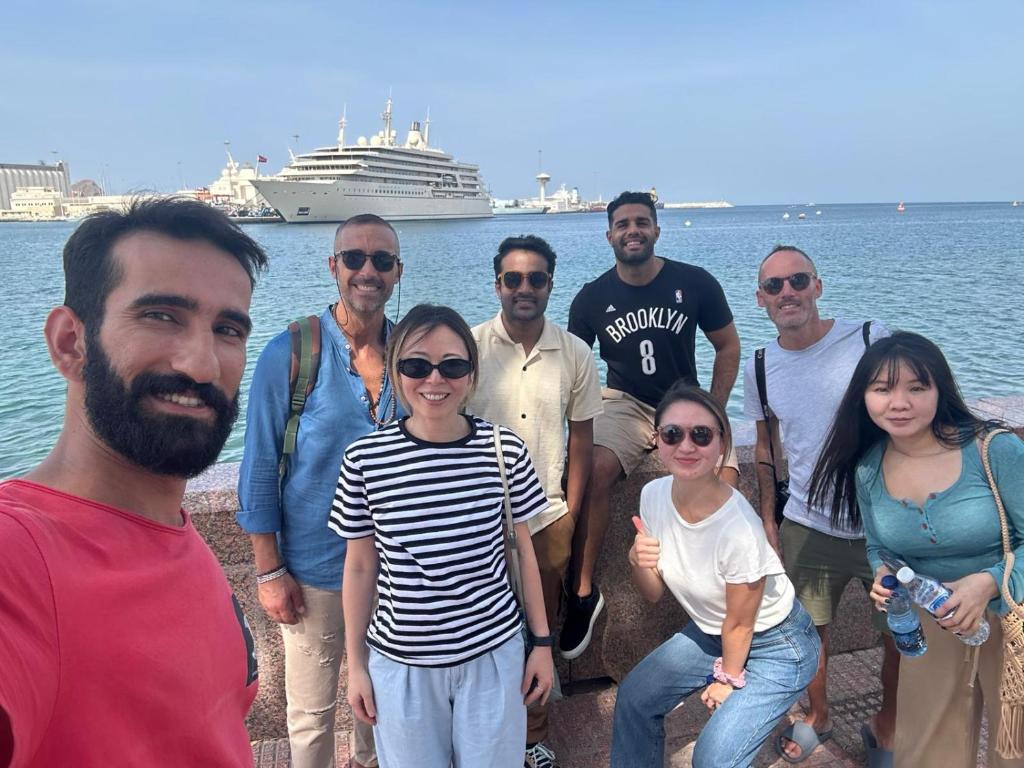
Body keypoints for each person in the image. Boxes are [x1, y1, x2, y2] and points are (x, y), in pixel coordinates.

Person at [0, 198, 267, 767]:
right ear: (70, 342)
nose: (202, 365)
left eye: (227, 329)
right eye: (161, 316)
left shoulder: (172, 531)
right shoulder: (19, 559)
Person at [332, 304, 554, 768]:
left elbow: (525, 556)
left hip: (493, 656)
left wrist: (541, 645)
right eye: (416, 366)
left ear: (471, 374)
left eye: (452, 366)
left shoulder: (505, 450)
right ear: (395, 370)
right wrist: (356, 665)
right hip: (401, 664)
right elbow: (359, 566)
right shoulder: (364, 460)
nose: (434, 380)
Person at [809, 331, 1024, 768]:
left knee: (1014, 744)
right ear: (863, 397)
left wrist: (987, 584)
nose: (899, 403)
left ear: (940, 389)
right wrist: (883, 574)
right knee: (927, 749)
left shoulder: (993, 449)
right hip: (932, 620)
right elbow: (879, 546)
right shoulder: (868, 468)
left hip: (1011, 616)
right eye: (882, 389)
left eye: (916, 387)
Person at [238, 214, 404, 768]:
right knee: (311, 716)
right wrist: (269, 572)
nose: (367, 271)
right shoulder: (292, 352)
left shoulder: (410, 353)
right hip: (315, 570)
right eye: (354, 258)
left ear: (397, 272)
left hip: (397, 571)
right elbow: (260, 466)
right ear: (334, 267)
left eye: (382, 260)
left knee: (382, 705)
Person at [563, 190, 741, 659]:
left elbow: (728, 345)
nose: (633, 231)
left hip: (684, 399)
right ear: (609, 235)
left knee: (725, 473)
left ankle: (727, 587)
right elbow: (572, 365)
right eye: (623, 224)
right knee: (593, 470)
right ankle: (583, 592)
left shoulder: (695, 282)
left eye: (641, 222)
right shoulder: (591, 297)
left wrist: (716, 409)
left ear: (657, 230)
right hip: (623, 402)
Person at [741, 245, 899, 763]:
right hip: (808, 522)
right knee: (810, 632)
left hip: (884, 523)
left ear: (818, 286)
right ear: (761, 299)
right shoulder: (760, 365)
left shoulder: (871, 339)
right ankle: (819, 714)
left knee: (897, 633)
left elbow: (917, 408)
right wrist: (769, 520)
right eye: (774, 286)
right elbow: (766, 449)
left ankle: (889, 723)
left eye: (798, 280)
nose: (787, 292)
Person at [610, 383, 819, 768]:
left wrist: (728, 679)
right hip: (714, 630)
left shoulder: (738, 527)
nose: (686, 446)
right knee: (635, 699)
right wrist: (638, 561)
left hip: (777, 643)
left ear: (722, 444)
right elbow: (652, 593)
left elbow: (741, 624)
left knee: (713, 759)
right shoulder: (653, 495)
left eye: (701, 435)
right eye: (673, 434)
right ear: (657, 440)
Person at [468, 235, 603, 768]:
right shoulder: (469, 347)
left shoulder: (575, 353)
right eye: (514, 278)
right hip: (474, 518)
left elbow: (582, 441)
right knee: (476, 632)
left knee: (537, 634)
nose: (525, 288)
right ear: (497, 284)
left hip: (545, 516)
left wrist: (570, 512)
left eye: (536, 278)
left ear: (550, 284)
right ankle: (481, 733)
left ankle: (534, 736)